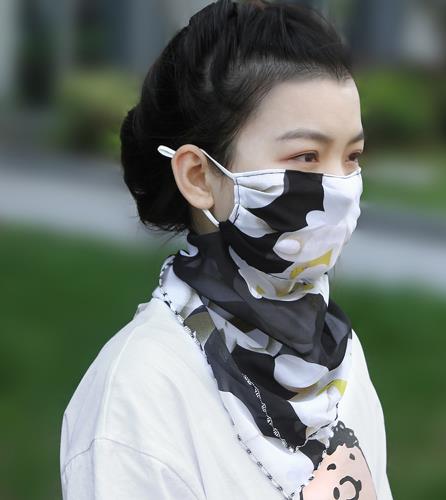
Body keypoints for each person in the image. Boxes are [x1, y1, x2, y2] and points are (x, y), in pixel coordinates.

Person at [59, 1, 393, 499]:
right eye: (306, 156)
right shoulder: (137, 399)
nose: (340, 187)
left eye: (352, 156)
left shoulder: (336, 356)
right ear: (199, 177)